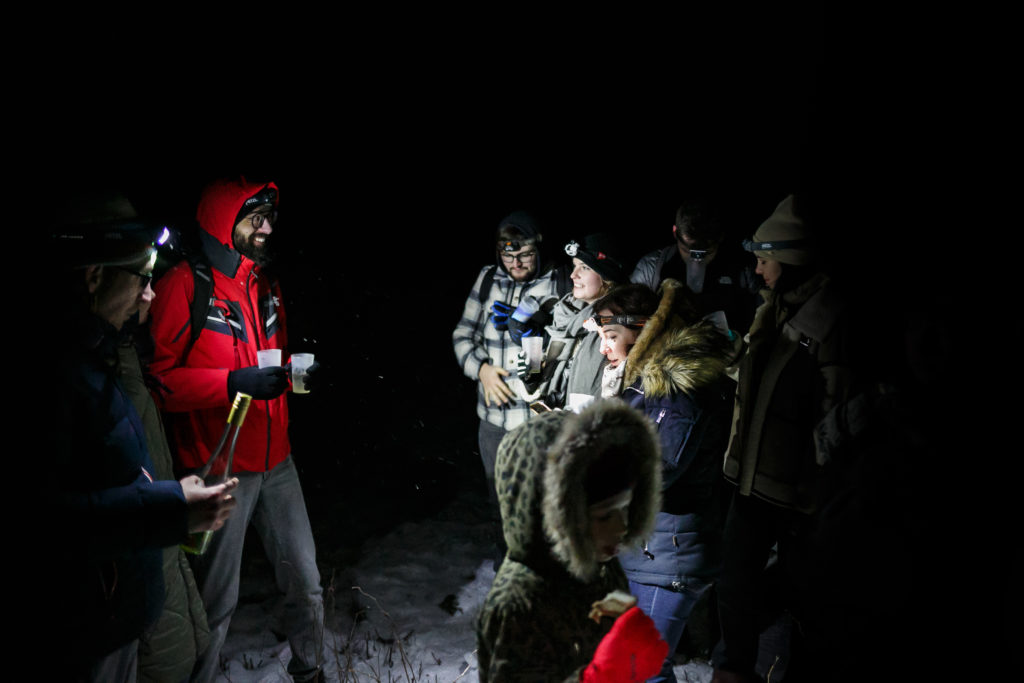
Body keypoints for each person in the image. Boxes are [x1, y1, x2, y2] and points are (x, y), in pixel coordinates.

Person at [47, 191, 237, 683]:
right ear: (94, 277)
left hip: (118, 621)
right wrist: (168, 508)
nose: (149, 295)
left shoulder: (100, 358)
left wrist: (170, 501)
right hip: (82, 635)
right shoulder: (60, 378)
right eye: (141, 279)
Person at [149, 177, 326, 683]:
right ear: (223, 225)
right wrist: (231, 383)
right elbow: (161, 382)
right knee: (214, 600)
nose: (267, 227)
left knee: (306, 583)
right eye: (255, 218)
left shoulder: (265, 283)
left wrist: (296, 372)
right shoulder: (185, 285)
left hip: (278, 461)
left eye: (270, 216)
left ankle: (312, 672)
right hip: (220, 467)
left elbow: (273, 357)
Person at [712, 195, 853, 683]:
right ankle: (732, 669)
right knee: (734, 581)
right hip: (749, 480)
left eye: (765, 259)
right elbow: (756, 383)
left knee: (799, 594)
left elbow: (836, 413)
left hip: (795, 493)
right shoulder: (770, 308)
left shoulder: (829, 318)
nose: (757, 268)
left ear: (790, 260)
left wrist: (819, 487)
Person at [590, 281, 736, 683]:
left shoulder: (674, 387)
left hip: (670, 551)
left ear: (641, 331)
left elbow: (659, 468)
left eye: (611, 337)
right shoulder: (645, 381)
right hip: (648, 548)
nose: (604, 348)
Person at [476, 399, 669, 682]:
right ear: (554, 518)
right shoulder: (518, 604)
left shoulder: (603, 570)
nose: (622, 527)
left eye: (627, 508)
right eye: (604, 516)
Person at [452, 210, 570, 562]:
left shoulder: (558, 283)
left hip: (537, 425)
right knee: (500, 505)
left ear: (539, 249)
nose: (516, 263)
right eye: (508, 254)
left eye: (525, 254)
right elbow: (462, 334)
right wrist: (482, 369)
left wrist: (532, 336)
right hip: (493, 423)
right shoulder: (488, 280)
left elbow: (561, 355)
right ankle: (512, 575)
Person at [118, 298, 211, 682]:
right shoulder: (95, 369)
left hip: (160, 538)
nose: (151, 294)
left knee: (179, 647)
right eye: (141, 281)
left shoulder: (125, 352)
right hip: (135, 554)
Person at [515, 232, 632, 413]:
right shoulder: (567, 314)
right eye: (574, 266)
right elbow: (552, 389)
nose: (573, 275)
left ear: (607, 276)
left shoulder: (615, 328)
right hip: (557, 430)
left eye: (584, 268)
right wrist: (532, 378)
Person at [630, 199, 760, 337]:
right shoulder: (653, 267)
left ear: (720, 238)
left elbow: (763, 316)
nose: (697, 262)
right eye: (687, 250)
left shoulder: (742, 269)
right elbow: (629, 316)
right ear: (675, 232)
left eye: (706, 253)